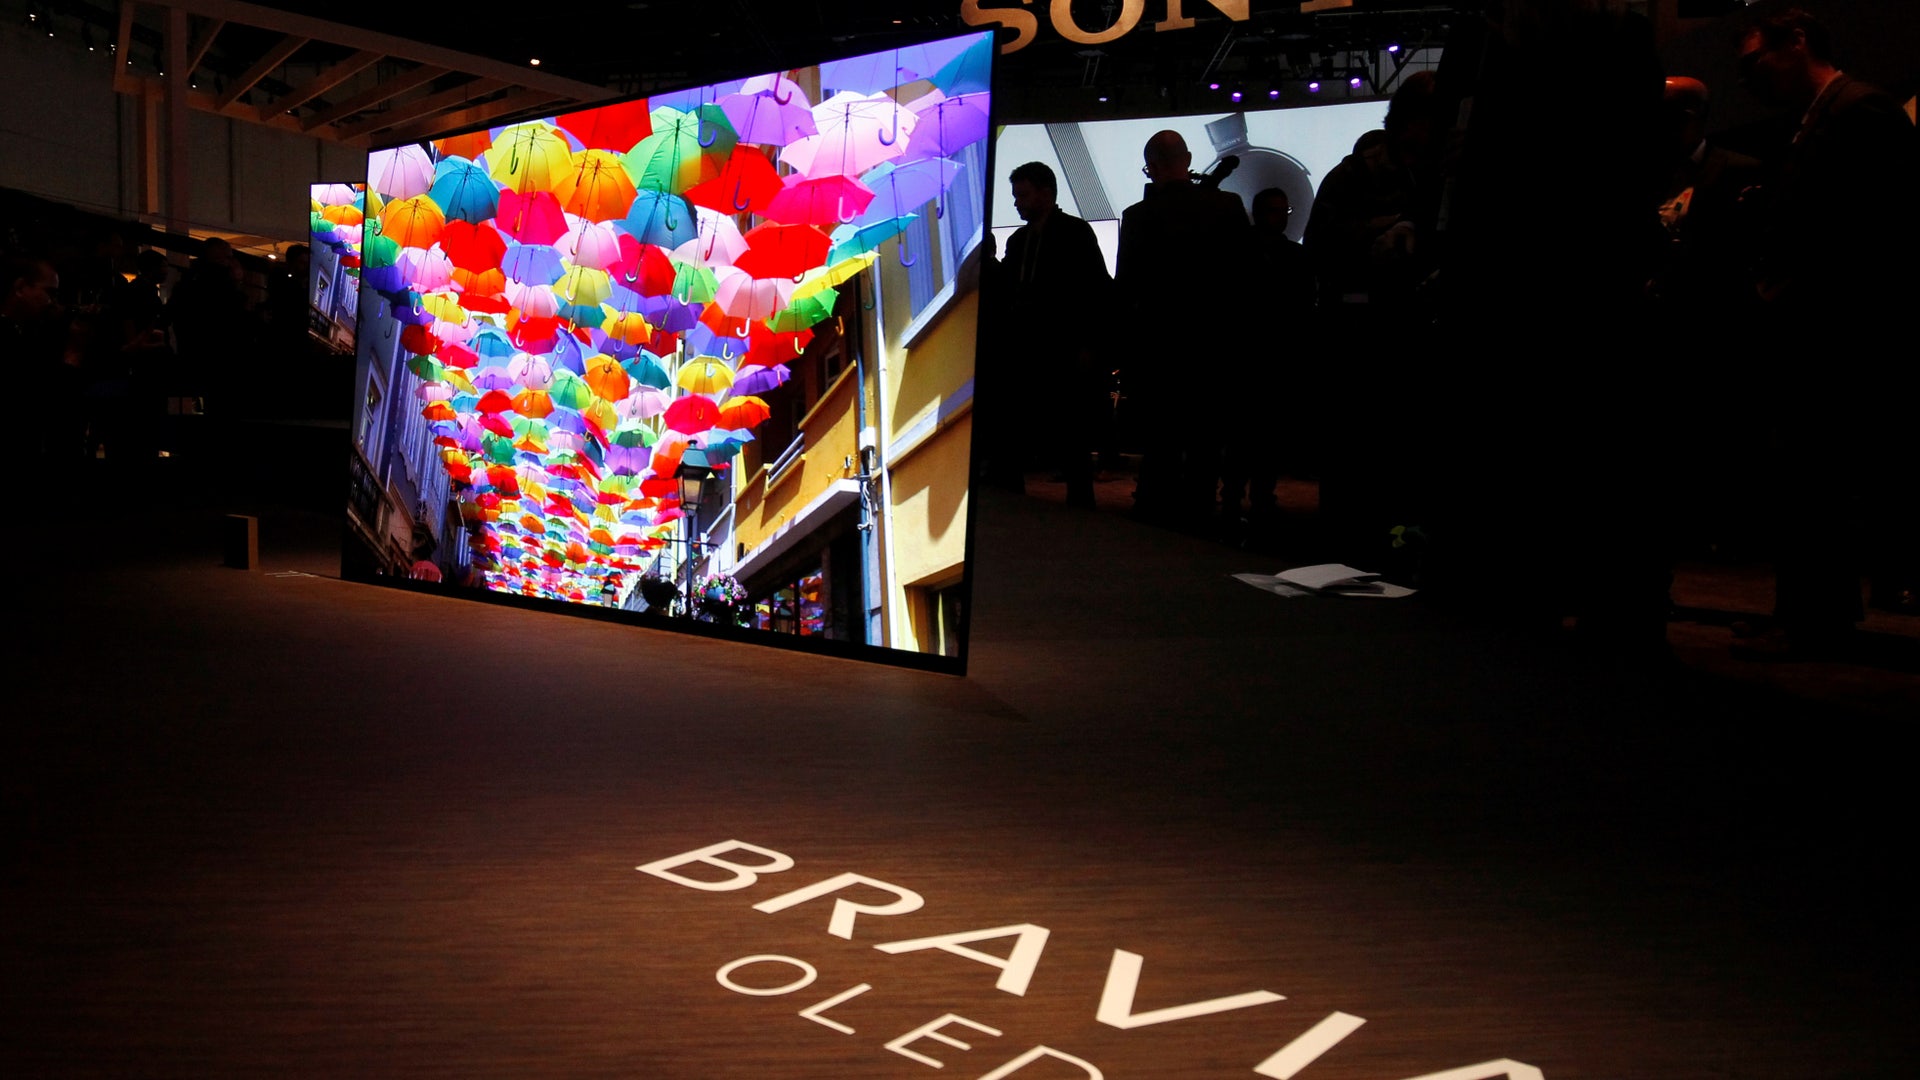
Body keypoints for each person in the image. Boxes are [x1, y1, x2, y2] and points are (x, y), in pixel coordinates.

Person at [1733, 9, 1920, 654]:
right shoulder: (1827, 112)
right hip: (1820, 325)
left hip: (1836, 330)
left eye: (1754, 61)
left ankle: (1814, 619)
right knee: (1806, 476)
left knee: (1817, 477)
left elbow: (1881, 227)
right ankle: (1805, 612)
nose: (1749, 79)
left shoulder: (1858, 110)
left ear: (1797, 42)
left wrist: (1794, 286)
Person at [1115, 131, 1250, 523]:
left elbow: (1127, 289)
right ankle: (1200, 519)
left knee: (1162, 444)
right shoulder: (1228, 206)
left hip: (1159, 352)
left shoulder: (1139, 216)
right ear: (1188, 159)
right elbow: (1246, 278)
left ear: (1152, 168)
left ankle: (1159, 521)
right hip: (1215, 349)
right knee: (1206, 445)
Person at [1000, 161, 1112, 507]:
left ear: (1046, 194)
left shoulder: (1075, 233)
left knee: (1071, 424)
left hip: (1063, 344)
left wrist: (1088, 344)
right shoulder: (1019, 241)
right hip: (1027, 345)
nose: (1017, 203)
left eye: (1023, 195)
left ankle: (1080, 497)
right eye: (1016, 196)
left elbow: (1094, 290)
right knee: (1028, 422)